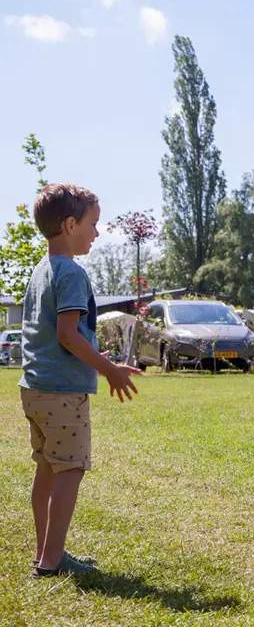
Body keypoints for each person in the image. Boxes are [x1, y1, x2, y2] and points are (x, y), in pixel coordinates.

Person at [19, 183, 141, 578]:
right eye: (93, 224)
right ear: (70, 224)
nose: (97, 233)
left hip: (35, 388)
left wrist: (103, 363)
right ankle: (52, 561)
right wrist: (110, 370)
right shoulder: (71, 272)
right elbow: (68, 336)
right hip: (62, 393)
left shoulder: (42, 270)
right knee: (69, 470)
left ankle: (45, 551)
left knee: (47, 469)